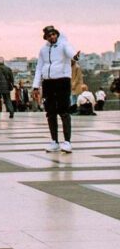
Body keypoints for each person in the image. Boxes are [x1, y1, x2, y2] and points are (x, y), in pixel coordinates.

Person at [33, 25, 80, 153]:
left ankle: (67, 141)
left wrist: (75, 56)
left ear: (57, 34)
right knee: (50, 112)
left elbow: (70, 52)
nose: (52, 37)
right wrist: (35, 85)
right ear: (46, 37)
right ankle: (54, 141)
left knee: (64, 111)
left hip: (62, 80)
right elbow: (39, 67)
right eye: (49, 35)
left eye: (54, 34)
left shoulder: (63, 45)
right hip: (48, 82)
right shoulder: (43, 50)